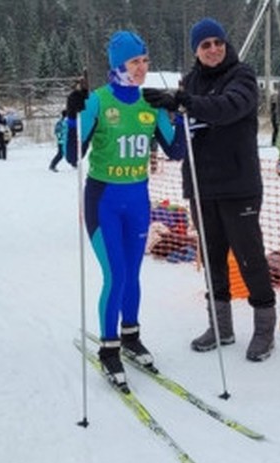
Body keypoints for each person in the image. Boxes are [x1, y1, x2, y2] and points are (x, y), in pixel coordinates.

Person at [142, 17, 277, 362]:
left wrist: (182, 101)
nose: (213, 49)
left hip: (239, 184)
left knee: (249, 257)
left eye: (218, 42)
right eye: (206, 45)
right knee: (212, 257)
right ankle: (221, 326)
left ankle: (264, 329)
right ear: (196, 51)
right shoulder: (192, 81)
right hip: (202, 186)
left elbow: (229, 107)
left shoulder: (242, 76)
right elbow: (183, 129)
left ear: (226, 44)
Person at [65, 30, 186, 391]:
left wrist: (175, 111)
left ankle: (131, 336)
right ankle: (109, 348)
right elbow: (74, 156)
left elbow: (177, 151)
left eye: (145, 60)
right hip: (103, 202)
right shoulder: (99, 101)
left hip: (138, 201)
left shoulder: (151, 102)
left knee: (133, 274)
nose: (142, 68)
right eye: (135, 62)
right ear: (118, 65)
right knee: (116, 275)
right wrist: (72, 117)